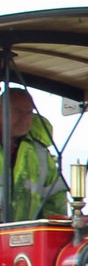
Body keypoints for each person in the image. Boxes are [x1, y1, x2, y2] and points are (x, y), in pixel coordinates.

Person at [4, 87, 67, 220]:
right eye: (17, 111)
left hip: (27, 238)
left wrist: (55, 224)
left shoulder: (41, 154)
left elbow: (56, 198)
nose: (24, 119)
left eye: (29, 113)